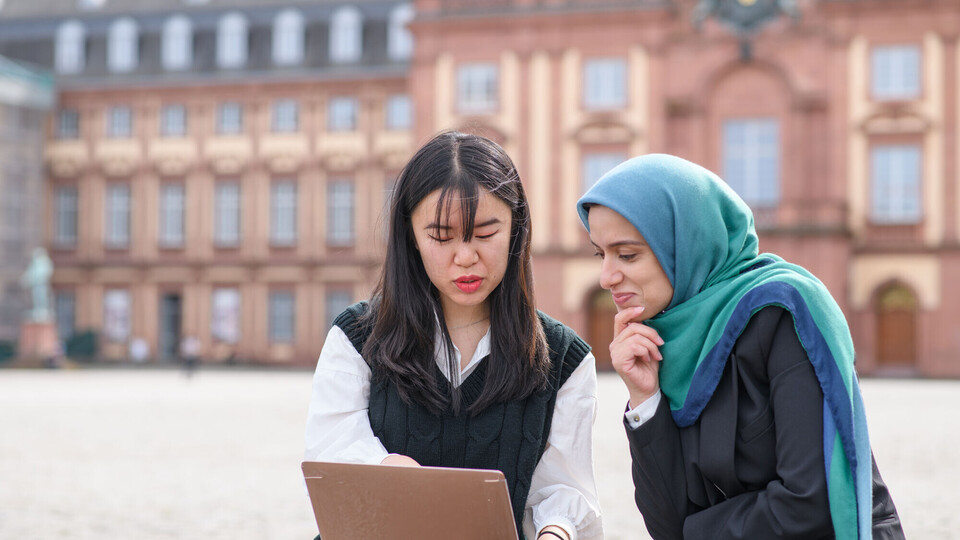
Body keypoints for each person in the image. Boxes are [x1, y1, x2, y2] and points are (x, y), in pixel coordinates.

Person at [577, 154, 903, 539]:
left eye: (627, 255)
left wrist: (693, 530)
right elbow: (665, 525)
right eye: (601, 254)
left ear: (687, 242)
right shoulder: (664, 338)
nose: (606, 277)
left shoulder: (784, 313)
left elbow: (809, 503)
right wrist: (645, 399)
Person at [305, 131, 603, 540]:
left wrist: (556, 531)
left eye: (485, 233)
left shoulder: (564, 358)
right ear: (410, 236)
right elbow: (331, 454)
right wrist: (393, 473)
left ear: (516, 229)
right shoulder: (357, 338)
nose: (466, 257)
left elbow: (564, 490)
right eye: (441, 237)